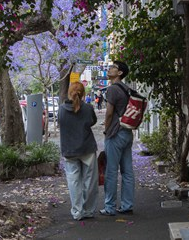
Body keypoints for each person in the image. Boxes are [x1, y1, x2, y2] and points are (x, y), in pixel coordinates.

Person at [58, 82, 99, 221]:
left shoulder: (61, 109)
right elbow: (92, 121)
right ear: (83, 94)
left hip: (69, 149)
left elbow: (60, 123)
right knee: (90, 181)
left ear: (70, 93)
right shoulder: (88, 108)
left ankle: (77, 211)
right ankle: (88, 210)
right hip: (87, 148)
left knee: (73, 181)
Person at [100, 60, 135, 216]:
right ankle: (127, 205)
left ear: (120, 73)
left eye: (113, 67)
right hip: (127, 132)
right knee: (127, 171)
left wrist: (107, 130)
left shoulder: (113, 89)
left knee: (111, 171)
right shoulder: (127, 89)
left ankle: (109, 207)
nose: (110, 69)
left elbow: (108, 113)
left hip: (115, 133)